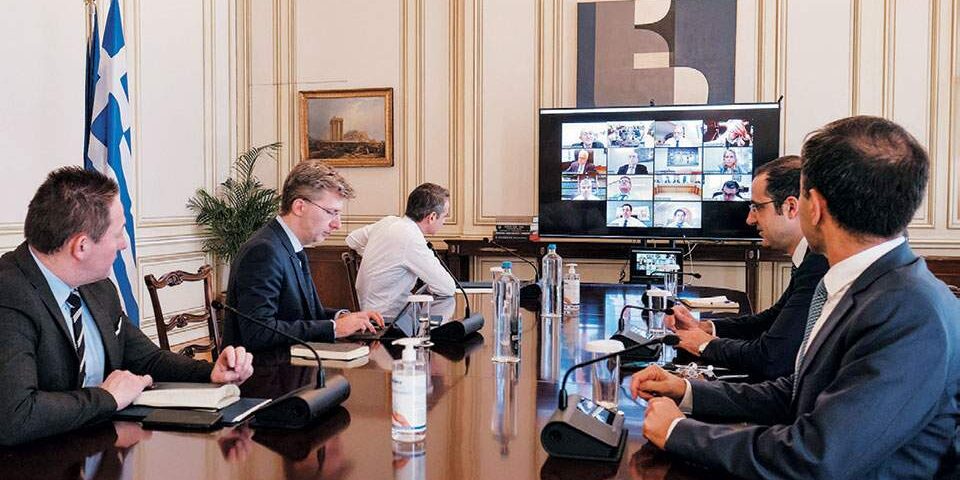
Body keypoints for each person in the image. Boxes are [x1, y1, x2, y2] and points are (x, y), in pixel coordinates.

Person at [631, 116, 960, 479]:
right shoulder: (868, 284)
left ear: (813, 206)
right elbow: (800, 390)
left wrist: (678, 432)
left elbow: (816, 456)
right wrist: (687, 390)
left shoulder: (911, 312)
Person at [0, 167, 254, 446]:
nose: (124, 244)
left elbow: (146, 359)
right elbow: (15, 416)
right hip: (36, 459)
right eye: (119, 232)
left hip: (98, 446)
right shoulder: (9, 294)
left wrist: (209, 372)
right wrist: (107, 397)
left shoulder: (98, 286)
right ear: (81, 246)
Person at [667, 156, 829, 380]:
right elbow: (771, 320)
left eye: (756, 207)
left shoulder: (819, 264)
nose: (749, 220)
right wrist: (704, 327)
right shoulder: (810, 259)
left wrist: (705, 345)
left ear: (791, 207)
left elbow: (771, 358)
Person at [222, 161, 385, 351]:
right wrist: (334, 328)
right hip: (264, 367)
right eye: (331, 212)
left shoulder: (290, 245)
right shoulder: (264, 251)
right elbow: (259, 332)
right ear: (300, 207)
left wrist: (341, 318)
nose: (337, 224)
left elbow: (306, 315)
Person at [345, 183, 456, 318]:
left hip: (367, 312)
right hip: (387, 320)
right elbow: (447, 288)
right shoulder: (411, 238)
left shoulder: (388, 222)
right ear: (432, 217)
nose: (444, 221)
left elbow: (352, 240)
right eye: (445, 216)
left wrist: (382, 257)